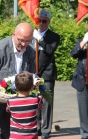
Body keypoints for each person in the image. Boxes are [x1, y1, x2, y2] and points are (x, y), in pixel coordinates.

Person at [0, 22, 36, 139]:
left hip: (22, 106)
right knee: (4, 134)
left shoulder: (31, 52)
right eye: (20, 40)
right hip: (2, 104)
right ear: (13, 34)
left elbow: (31, 76)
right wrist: (0, 92)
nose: (23, 44)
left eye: (27, 41)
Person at [33, 9, 60, 139]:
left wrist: (40, 39)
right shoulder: (31, 34)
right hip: (33, 74)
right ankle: (36, 127)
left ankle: (45, 130)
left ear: (48, 22)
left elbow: (50, 50)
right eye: (39, 20)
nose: (41, 23)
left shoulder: (54, 36)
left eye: (44, 21)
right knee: (34, 101)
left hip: (47, 74)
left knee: (46, 102)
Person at [7, 71, 43, 139]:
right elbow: (41, 107)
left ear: (15, 86)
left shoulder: (10, 101)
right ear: (32, 87)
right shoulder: (36, 100)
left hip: (15, 136)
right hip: (31, 135)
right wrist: (39, 93)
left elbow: (8, 110)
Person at [70, 31, 88, 139]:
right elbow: (73, 53)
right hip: (82, 80)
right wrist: (84, 42)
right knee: (83, 109)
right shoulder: (81, 42)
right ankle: (85, 134)